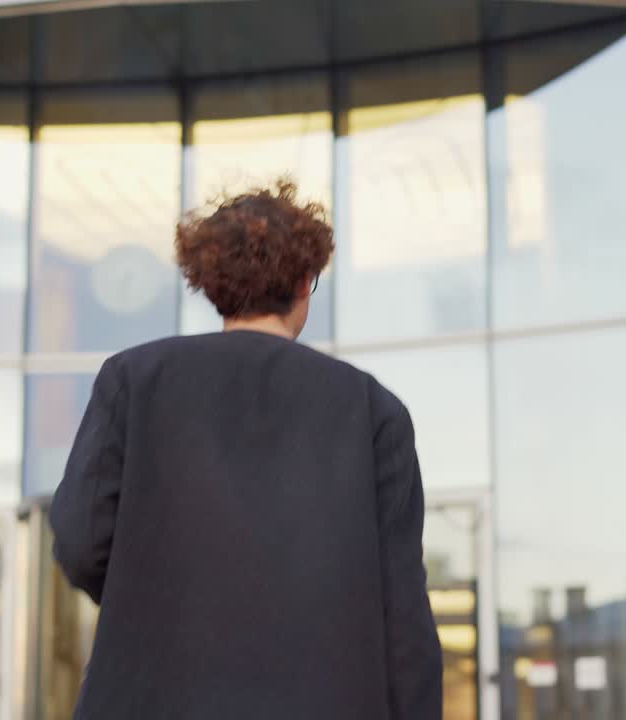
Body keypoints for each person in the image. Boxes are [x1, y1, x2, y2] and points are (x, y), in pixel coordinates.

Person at [49, 179, 443, 720]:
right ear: (307, 282)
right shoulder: (373, 410)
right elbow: (402, 613)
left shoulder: (134, 381)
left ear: (210, 284)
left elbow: (79, 541)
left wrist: (148, 596)